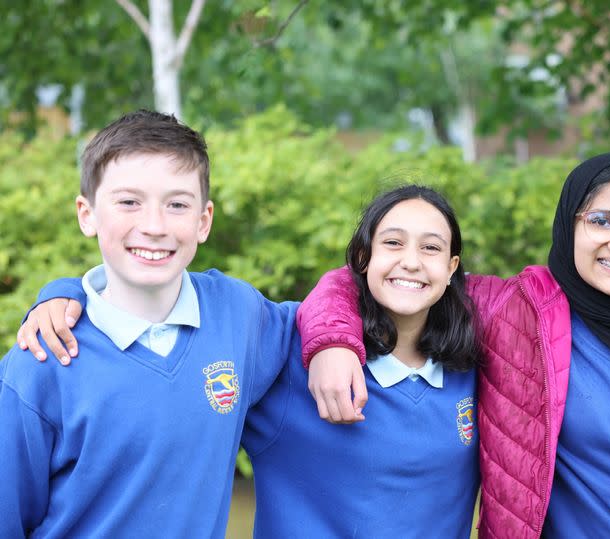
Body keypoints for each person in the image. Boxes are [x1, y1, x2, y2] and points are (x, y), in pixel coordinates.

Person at [296, 153, 610, 538]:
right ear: (570, 223)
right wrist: (333, 344)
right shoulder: (517, 313)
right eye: (601, 220)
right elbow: (383, 277)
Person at [15, 185, 484, 536]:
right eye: (393, 243)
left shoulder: (478, 368)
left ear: (452, 266)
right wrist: (69, 293)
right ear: (362, 258)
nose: (412, 261)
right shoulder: (290, 360)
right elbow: (165, 311)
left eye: (431, 247)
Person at [0, 110, 301, 537]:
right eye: (128, 202)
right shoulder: (41, 360)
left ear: (204, 221)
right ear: (87, 215)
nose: (154, 226)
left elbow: (329, 312)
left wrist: (337, 343)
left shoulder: (239, 315)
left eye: (177, 204)